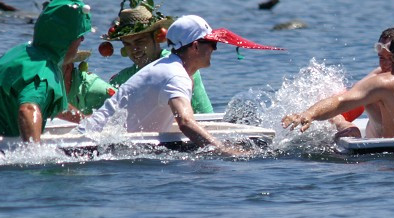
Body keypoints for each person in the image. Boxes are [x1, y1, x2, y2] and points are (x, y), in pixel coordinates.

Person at [80, 15, 283, 154]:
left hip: (98, 138)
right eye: (211, 44)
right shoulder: (175, 75)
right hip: (90, 145)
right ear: (195, 46)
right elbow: (186, 122)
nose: (215, 49)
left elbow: (182, 121)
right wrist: (225, 150)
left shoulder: (170, 66)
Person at [0, 0, 93, 141]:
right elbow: (28, 109)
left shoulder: (24, 52)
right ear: (65, 39)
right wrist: (34, 156)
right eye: (79, 35)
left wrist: (86, 121)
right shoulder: (42, 72)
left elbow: (48, 101)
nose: (82, 39)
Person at [69, 4, 213, 115]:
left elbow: (206, 115)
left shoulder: (180, 67)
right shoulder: (120, 80)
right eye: (128, 44)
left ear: (157, 37)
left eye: (140, 41)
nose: (134, 49)